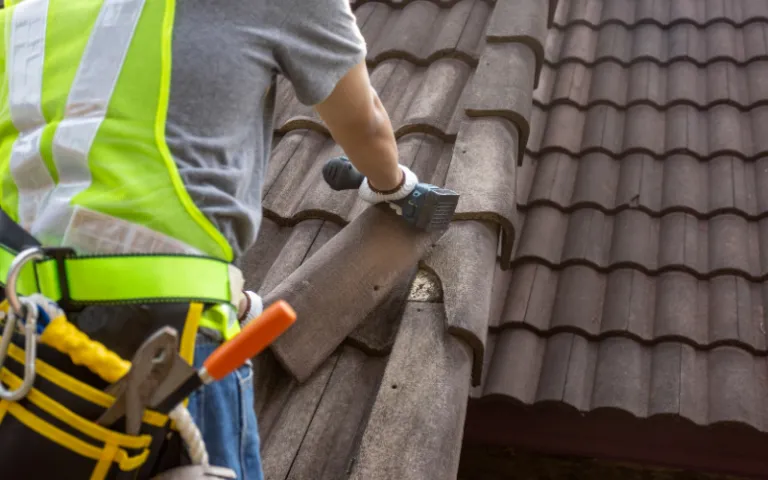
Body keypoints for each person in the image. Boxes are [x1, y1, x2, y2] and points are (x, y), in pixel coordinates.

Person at [0, 0, 421, 478]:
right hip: (164, 336)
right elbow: (364, 122)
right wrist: (396, 186)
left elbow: (84, 181)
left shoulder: (23, 10)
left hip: (21, 335)